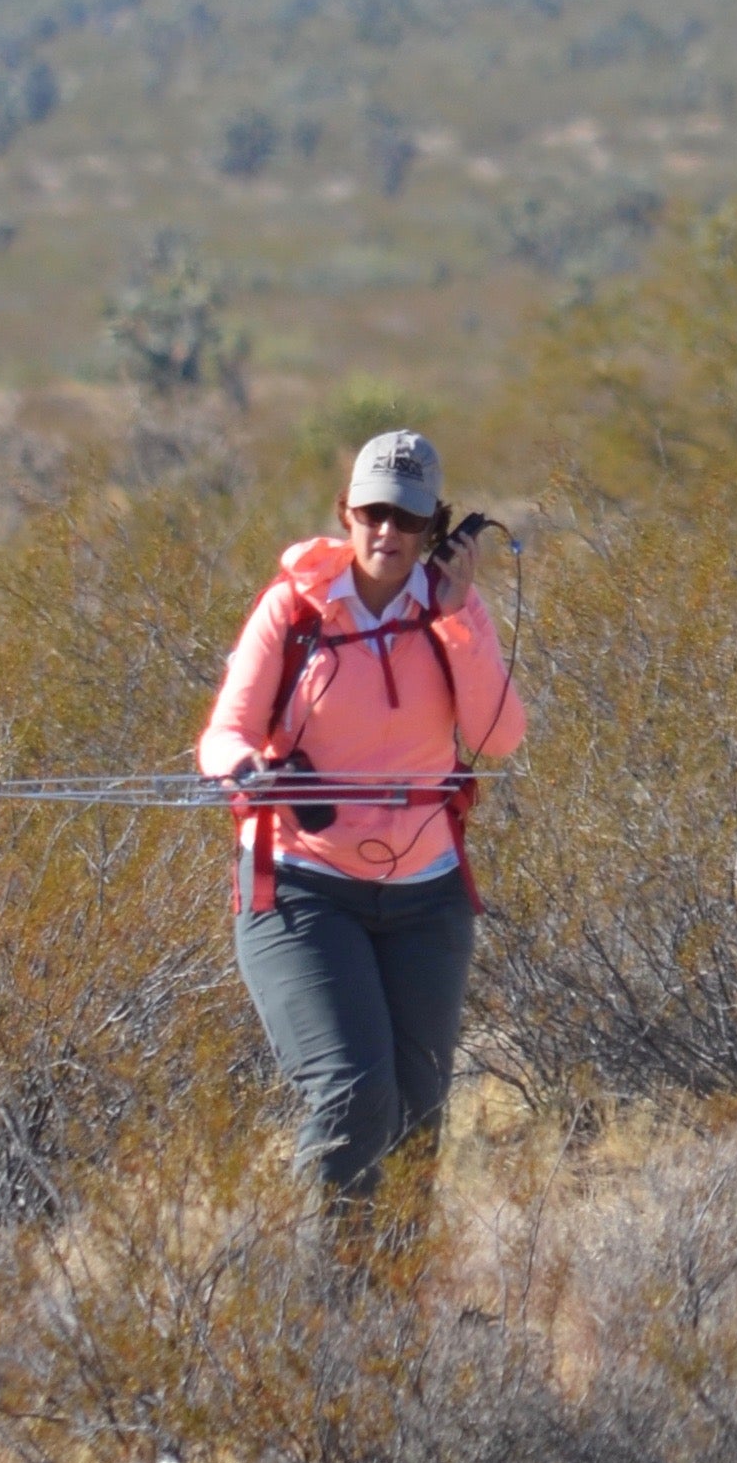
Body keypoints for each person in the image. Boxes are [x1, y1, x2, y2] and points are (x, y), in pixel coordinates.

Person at [198, 425, 527, 1204]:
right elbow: (225, 734)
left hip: (427, 897)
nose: (388, 533)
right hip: (303, 888)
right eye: (374, 513)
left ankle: (397, 1304)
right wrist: (253, 774)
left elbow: (495, 738)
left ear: (435, 529)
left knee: (418, 1118)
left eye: (409, 519)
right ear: (345, 512)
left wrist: (456, 616)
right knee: (352, 1091)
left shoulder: (455, 613)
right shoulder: (294, 610)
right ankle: (326, 1307)